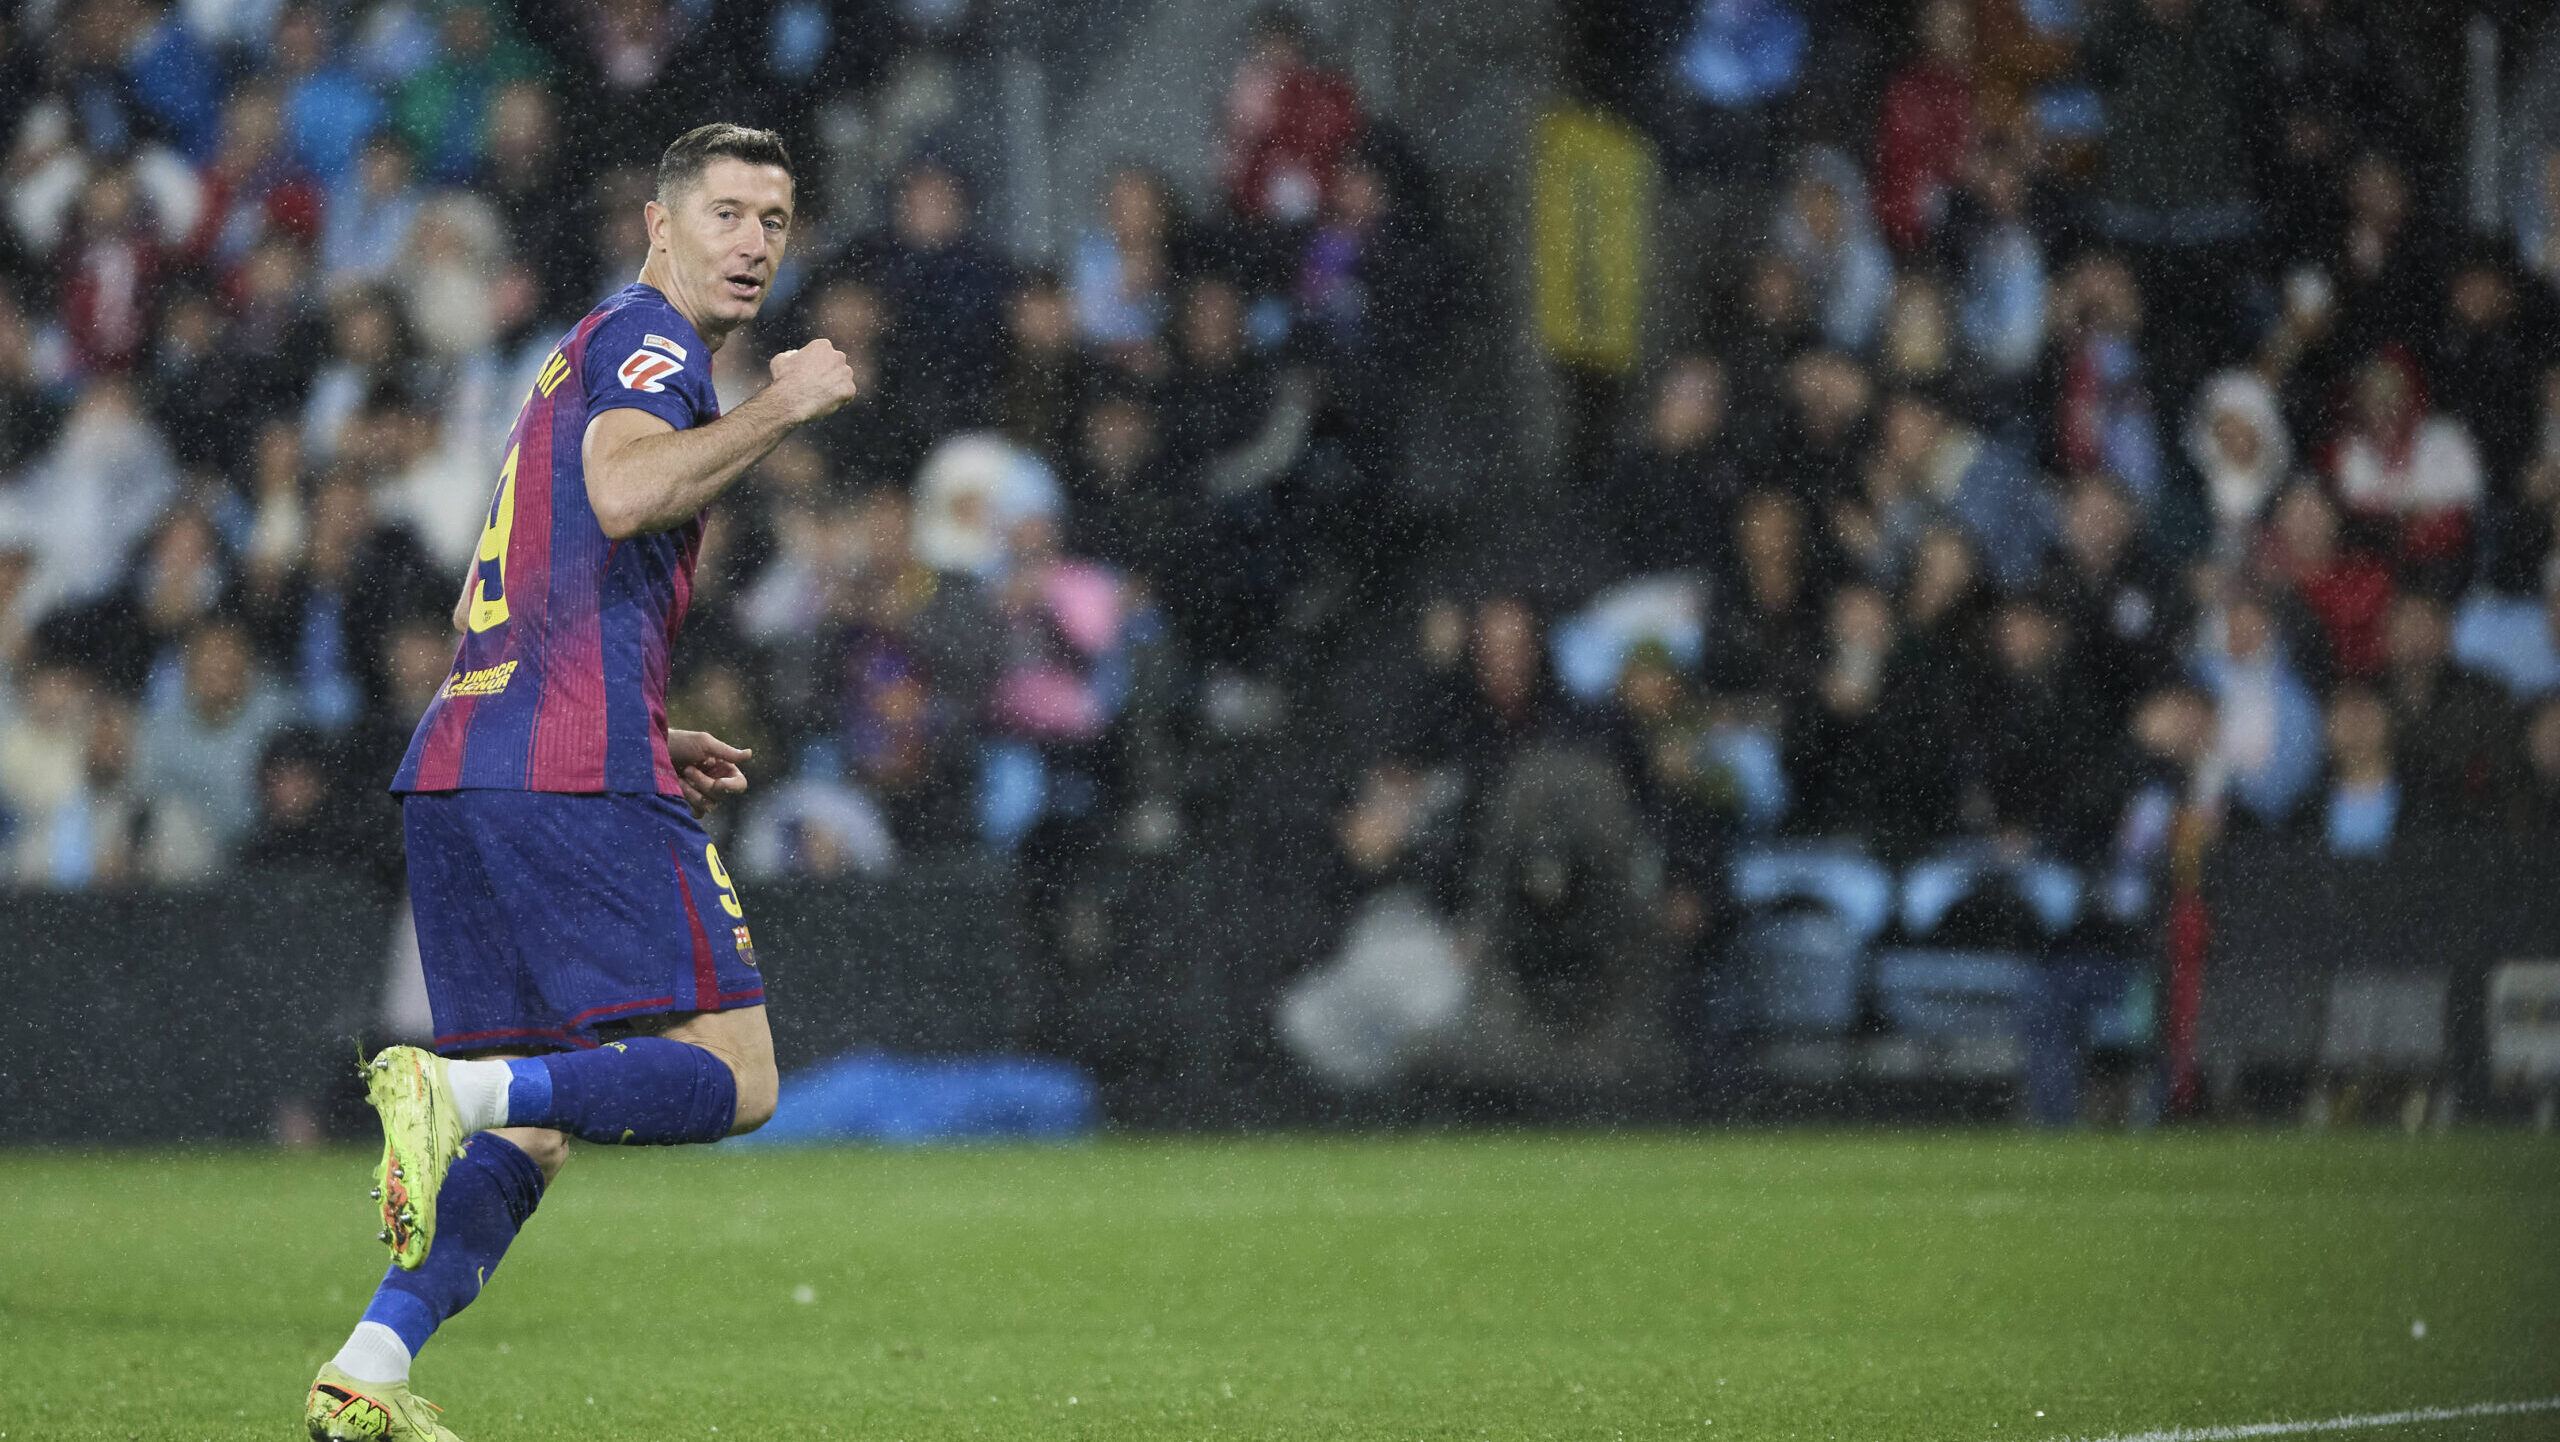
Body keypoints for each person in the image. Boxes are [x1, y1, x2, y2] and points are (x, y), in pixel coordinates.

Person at [305, 123, 859, 1442]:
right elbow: (620, 498)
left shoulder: (583, 353)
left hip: (466, 763)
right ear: (660, 228)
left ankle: (364, 1369)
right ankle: (456, 1089)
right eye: (726, 212)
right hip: (561, 769)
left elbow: (480, 592)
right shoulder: (653, 342)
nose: (753, 241)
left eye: (774, 219)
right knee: (737, 1073)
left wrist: (645, 723)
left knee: (540, 1130)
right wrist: (782, 404)